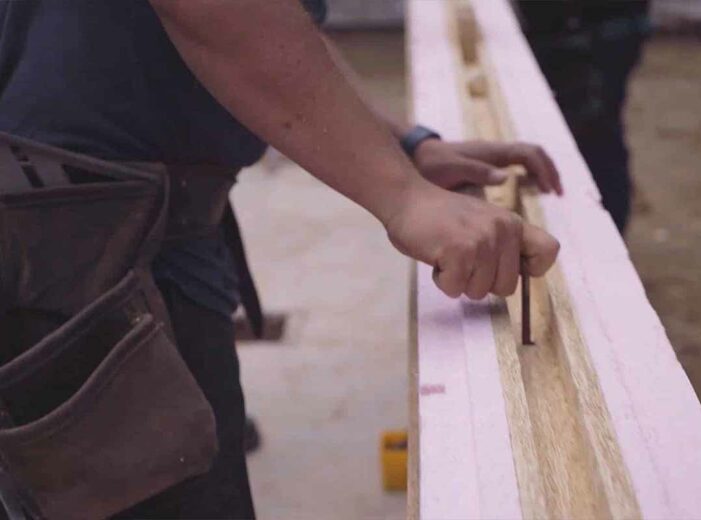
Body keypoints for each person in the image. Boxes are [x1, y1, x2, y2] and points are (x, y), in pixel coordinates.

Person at [0, 0, 562, 517]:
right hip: (80, 259)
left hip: (116, 234)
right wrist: (402, 196)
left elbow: (276, 23)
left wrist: (408, 148)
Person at [516, 1, 650, 233]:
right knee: (588, 137)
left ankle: (603, 241)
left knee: (593, 139)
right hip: (574, 25)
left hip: (591, 28)